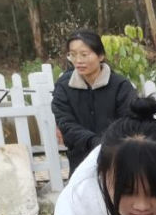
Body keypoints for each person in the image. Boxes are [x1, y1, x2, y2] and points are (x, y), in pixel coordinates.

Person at [52, 30, 137, 176]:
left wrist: (109, 144)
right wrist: (95, 142)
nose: (78, 60)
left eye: (84, 54)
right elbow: (66, 124)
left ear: (101, 55)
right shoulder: (64, 87)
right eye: (73, 54)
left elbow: (130, 120)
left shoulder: (120, 85)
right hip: (80, 161)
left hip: (118, 158)